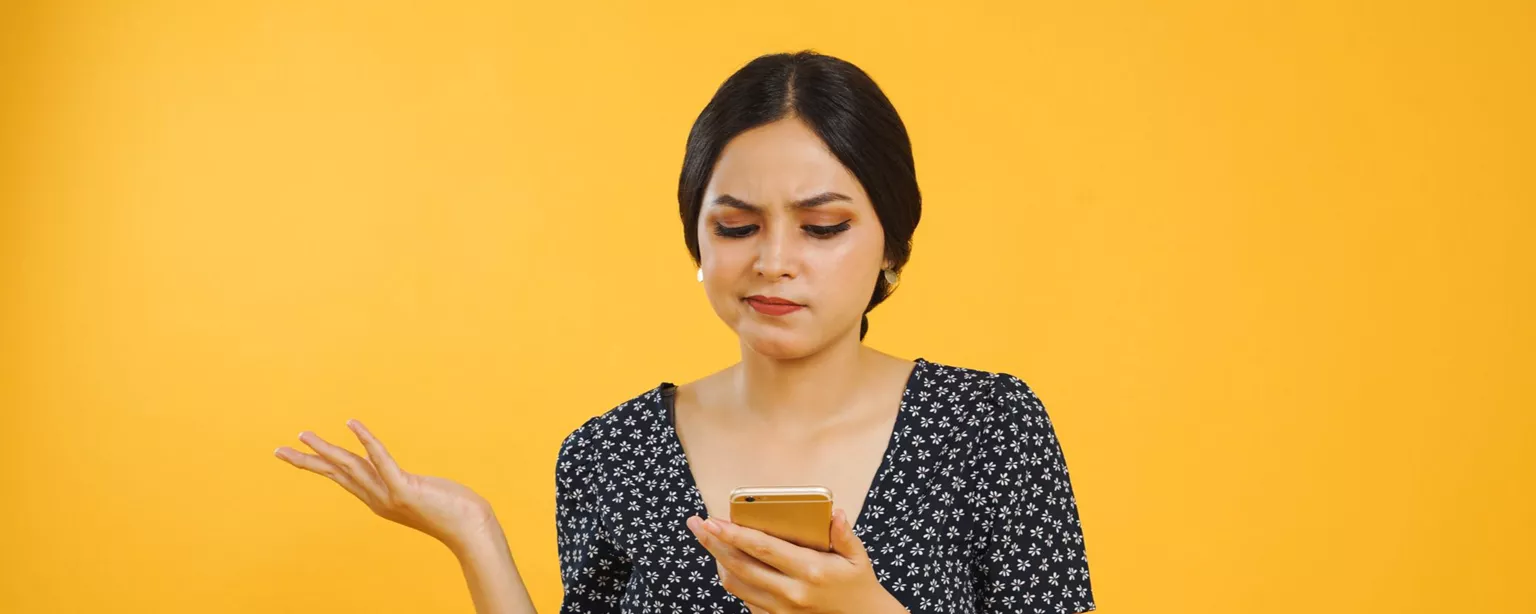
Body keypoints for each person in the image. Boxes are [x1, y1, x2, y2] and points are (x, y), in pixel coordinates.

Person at [274, 50, 1095, 614]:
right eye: (737, 227)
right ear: (696, 241)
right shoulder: (610, 455)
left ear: (892, 242)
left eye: (822, 227)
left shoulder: (992, 433)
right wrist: (473, 532)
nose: (774, 261)